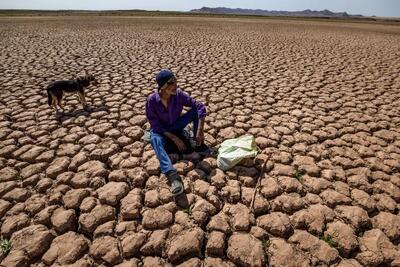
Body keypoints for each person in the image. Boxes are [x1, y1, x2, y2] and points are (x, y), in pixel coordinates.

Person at [145, 69, 207, 196]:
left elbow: (200, 106)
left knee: (195, 112)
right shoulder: (151, 101)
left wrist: (199, 130)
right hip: (162, 131)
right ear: (162, 86)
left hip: (176, 125)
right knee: (155, 139)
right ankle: (172, 176)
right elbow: (155, 125)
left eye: (175, 81)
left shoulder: (178, 95)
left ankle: (199, 145)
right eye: (171, 83)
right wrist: (174, 138)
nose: (175, 85)